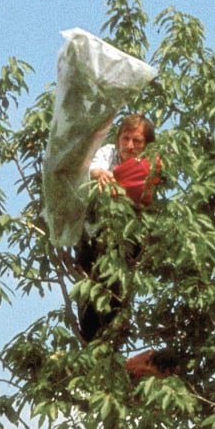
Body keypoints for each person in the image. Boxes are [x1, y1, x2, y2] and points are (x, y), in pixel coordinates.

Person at [74, 114, 160, 342]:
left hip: (125, 241)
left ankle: (110, 343)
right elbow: (93, 166)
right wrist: (100, 174)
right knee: (87, 294)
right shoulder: (107, 153)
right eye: (126, 139)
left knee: (116, 295)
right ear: (119, 138)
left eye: (137, 141)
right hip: (94, 234)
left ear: (146, 145)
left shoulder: (149, 165)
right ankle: (89, 342)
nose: (130, 146)